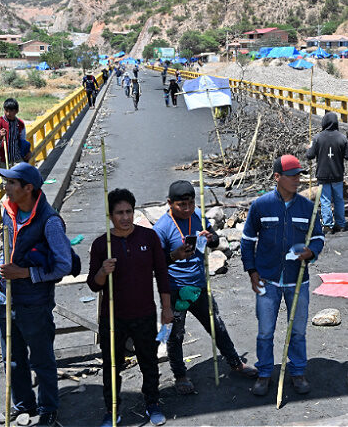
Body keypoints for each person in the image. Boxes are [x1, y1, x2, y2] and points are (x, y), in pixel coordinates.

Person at [0, 163, 73, 427]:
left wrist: (23, 274)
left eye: (11, 183)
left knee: (42, 359)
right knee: (12, 357)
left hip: (34, 303)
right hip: (6, 299)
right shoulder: (9, 211)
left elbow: (63, 266)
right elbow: (8, 251)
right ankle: (23, 404)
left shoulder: (50, 222)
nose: (5, 186)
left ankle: (48, 409)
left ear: (28, 188)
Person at [153, 181, 257, 395]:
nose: (188, 208)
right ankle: (180, 375)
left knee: (216, 325)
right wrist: (175, 255)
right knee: (176, 334)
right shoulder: (161, 228)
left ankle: (235, 362)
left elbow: (214, 240)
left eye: (191, 203)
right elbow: (154, 264)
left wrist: (211, 238)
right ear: (170, 203)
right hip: (175, 290)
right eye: (182, 205)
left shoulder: (197, 215)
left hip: (199, 285)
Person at [241, 155, 325, 396]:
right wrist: (252, 271)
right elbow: (247, 241)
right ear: (277, 177)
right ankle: (265, 373)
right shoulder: (261, 205)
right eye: (292, 176)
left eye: (299, 175)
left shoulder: (307, 207)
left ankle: (297, 372)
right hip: (267, 280)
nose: (297, 180)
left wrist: (311, 252)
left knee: (298, 330)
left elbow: (318, 237)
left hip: (297, 280)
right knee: (265, 331)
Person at [87, 188, 171, 427]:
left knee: (149, 362)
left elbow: (162, 275)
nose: (125, 217)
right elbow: (94, 285)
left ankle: (153, 403)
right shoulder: (101, 244)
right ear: (110, 215)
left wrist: (166, 310)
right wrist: (103, 271)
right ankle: (112, 410)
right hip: (113, 318)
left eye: (129, 211)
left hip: (145, 314)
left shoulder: (148, 238)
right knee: (111, 366)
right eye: (119, 213)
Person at [305, 112, 348, 234]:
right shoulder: (342, 138)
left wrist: (309, 147)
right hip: (337, 174)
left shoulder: (317, 138)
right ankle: (341, 224)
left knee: (325, 200)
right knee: (339, 200)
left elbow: (309, 155)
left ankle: (327, 225)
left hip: (323, 175)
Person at [0, 98, 32, 168]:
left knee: (21, 177)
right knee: (6, 178)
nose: (8, 113)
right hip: (3, 160)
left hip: (17, 159)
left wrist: (28, 152)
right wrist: (0, 137)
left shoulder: (20, 124)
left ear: (17, 111)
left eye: (11, 111)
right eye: (6, 110)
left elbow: (22, 141)